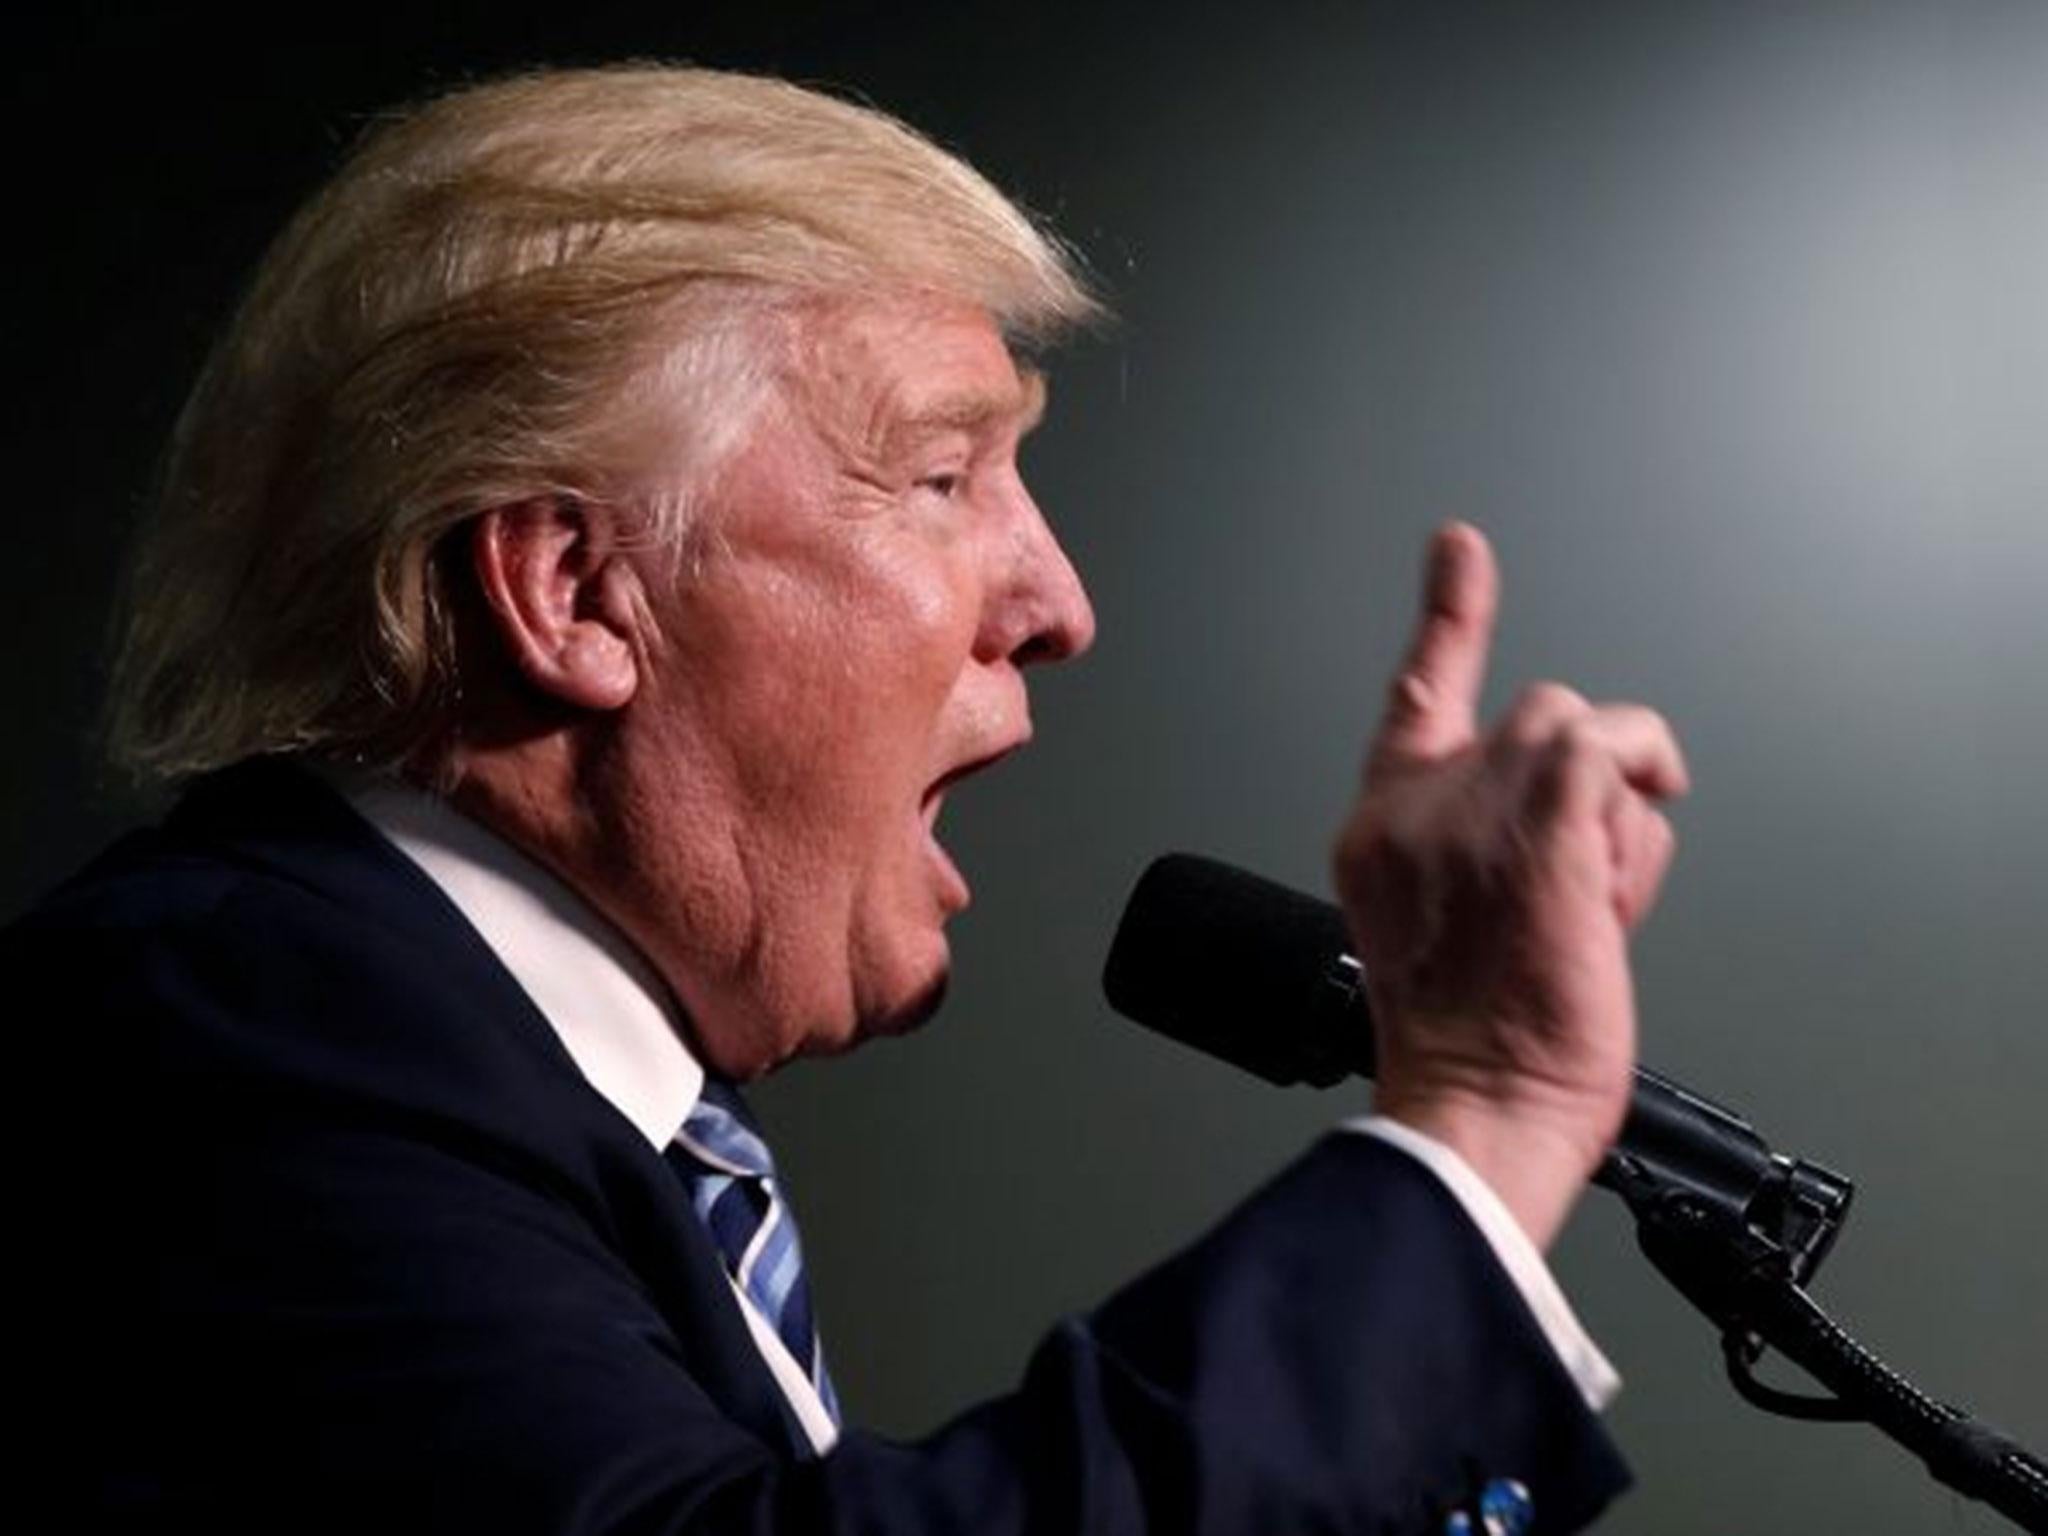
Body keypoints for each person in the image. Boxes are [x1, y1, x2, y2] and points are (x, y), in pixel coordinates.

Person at [16, 65, 1686, 1534]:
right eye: (945, 477)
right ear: (579, 593)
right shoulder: (230, 1033)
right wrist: (1487, 1106)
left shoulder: (482, 1073)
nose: (1057, 601)